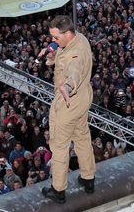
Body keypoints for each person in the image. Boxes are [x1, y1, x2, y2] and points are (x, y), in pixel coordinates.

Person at [41, 15, 96, 204]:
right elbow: (64, 54)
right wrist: (51, 54)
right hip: (82, 100)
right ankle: (88, 179)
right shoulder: (79, 39)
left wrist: (68, 87)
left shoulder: (76, 54)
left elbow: (75, 69)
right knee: (82, 137)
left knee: (59, 147)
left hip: (68, 102)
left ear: (68, 34)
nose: (53, 41)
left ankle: (58, 190)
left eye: (56, 38)